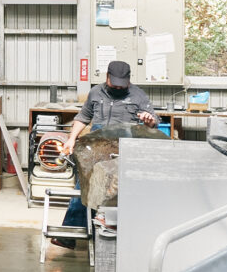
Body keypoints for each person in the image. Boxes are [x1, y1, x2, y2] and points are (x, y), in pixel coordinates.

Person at [62, 60, 160, 228]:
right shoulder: (95, 92)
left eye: (122, 85)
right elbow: (83, 117)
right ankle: (73, 229)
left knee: (116, 190)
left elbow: (153, 122)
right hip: (97, 146)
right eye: (115, 84)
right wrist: (71, 139)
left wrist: (149, 121)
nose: (118, 88)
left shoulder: (138, 95)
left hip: (123, 149)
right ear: (107, 77)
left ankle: (117, 227)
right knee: (86, 183)